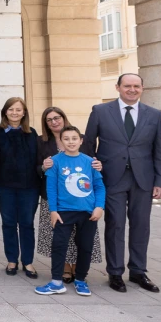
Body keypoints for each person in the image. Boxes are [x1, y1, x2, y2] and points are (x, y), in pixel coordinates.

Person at [82, 73, 161, 293]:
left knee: (141, 226)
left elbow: (159, 150)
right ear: (117, 87)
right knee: (115, 225)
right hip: (111, 177)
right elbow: (89, 145)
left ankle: (138, 271)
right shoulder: (100, 111)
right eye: (127, 86)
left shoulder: (155, 114)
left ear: (142, 88)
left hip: (143, 179)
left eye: (136, 86)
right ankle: (116, 272)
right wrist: (91, 176)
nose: (132, 89)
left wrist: (160, 180)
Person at [37, 126, 105, 297]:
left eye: (74, 138)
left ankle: (81, 280)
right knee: (59, 245)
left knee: (85, 246)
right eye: (66, 139)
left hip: (87, 213)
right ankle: (56, 282)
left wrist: (99, 206)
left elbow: (99, 187)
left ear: (81, 141)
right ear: (61, 142)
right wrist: (53, 210)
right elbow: (51, 188)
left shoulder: (90, 162)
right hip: (64, 212)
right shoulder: (55, 161)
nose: (71, 142)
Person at [0, 97, 41, 279]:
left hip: (29, 187)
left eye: (18, 110)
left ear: (24, 113)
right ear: (5, 112)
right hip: (5, 187)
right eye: (11, 109)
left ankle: (28, 261)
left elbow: (37, 161)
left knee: (26, 224)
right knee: (9, 224)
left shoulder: (31, 133)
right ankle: (12, 260)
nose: (15, 113)